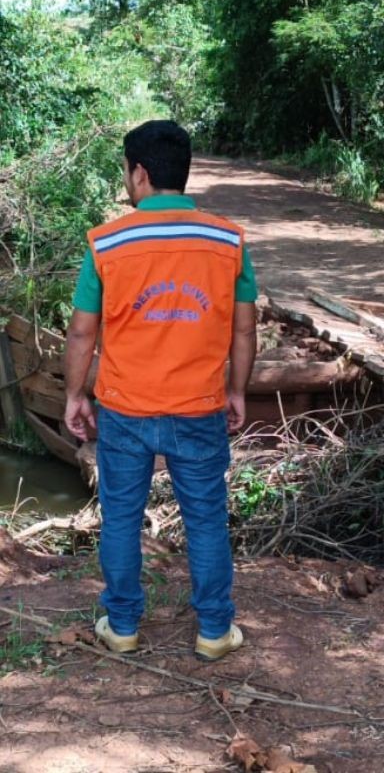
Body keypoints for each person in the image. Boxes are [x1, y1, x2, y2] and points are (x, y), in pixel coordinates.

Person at [64, 120, 257, 662]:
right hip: (199, 406)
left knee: (121, 517)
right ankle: (215, 631)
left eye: (127, 173)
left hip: (125, 409)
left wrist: (76, 394)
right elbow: (244, 330)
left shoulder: (107, 243)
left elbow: (83, 330)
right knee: (206, 518)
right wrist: (236, 391)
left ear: (140, 173)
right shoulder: (227, 240)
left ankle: (122, 625)